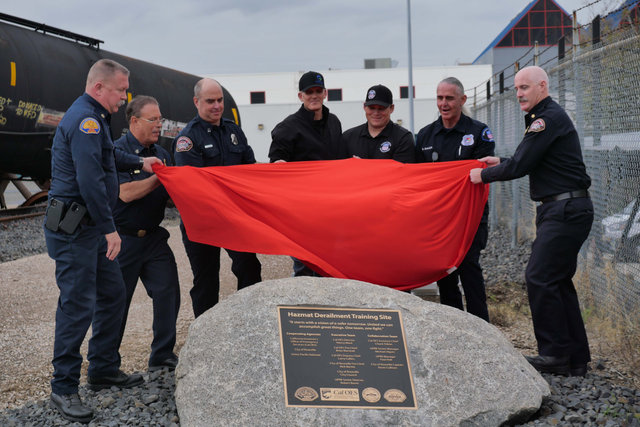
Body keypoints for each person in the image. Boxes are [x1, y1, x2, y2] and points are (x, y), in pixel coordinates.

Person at [44, 59, 161, 423]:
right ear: (99, 88)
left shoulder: (94, 118)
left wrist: (140, 164)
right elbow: (91, 180)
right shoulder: (86, 120)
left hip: (89, 225)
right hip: (76, 226)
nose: (124, 97)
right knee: (77, 305)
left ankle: (103, 369)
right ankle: (62, 388)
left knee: (112, 293)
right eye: (120, 90)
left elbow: (107, 154)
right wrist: (111, 228)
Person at [470, 66, 593, 376]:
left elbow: (522, 165)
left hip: (564, 210)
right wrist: (499, 162)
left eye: (525, 87)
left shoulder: (545, 119)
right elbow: (530, 158)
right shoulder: (546, 118)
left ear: (542, 86)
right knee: (558, 281)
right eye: (516, 89)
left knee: (538, 276)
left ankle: (554, 355)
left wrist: (482, 175)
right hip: (564, 208)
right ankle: (575, 359)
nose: (519, 94)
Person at [174, 78, 262, 318]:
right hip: (203, 222)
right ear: (196, 102)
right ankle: (205, 336)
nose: (217, 106)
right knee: (206, 281)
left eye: (220, 100)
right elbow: (192, 186)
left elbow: (250, 171)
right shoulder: (188, 139)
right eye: (210, 101)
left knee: (250, 269)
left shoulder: (234, 131)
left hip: (235, 219)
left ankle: (248, 322)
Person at [415, 77, 495, 322]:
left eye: (449, 98)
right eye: (440, 98)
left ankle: (481, 329)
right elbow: (418, 177)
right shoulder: (425, 135)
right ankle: (454, 327)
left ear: (462, 100)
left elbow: (484, 171)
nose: (444, 103)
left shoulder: (479, 132)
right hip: (439, 221)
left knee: (470, 270)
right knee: (445, 274)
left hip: (470, 218)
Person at [113, 95, 180, 371]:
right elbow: (125, 194)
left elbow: (172, 195)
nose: (159, 125)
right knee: (116, 303)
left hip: (153, 238)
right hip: (122, 239)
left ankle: (162, 355)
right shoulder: (116, 152)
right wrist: (157, 178)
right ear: (134, 121)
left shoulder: (162, 154)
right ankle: (105, 364)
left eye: (160, 119)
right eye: (153, 119)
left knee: (168, 292)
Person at [269, 71, 344, 276]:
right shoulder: (288, 127)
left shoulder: (334, 122)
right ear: (300, 96)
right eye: (309, 92)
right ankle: (303, 308)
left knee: (331, 262)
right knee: (305, 265)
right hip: (301, 211)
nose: (314, 96)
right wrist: (279, 163)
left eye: (318, 91)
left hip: (331, 209)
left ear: (325, 93)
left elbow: (341, 159)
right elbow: (275, 161)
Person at [342, 84, 415, 163]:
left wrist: (361, 165)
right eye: (371, 108)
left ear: (391, 108)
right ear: (364, 107)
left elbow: (402, 172)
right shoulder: (348, 137)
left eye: (381, 108)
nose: (376, 113)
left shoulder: (402, 138)